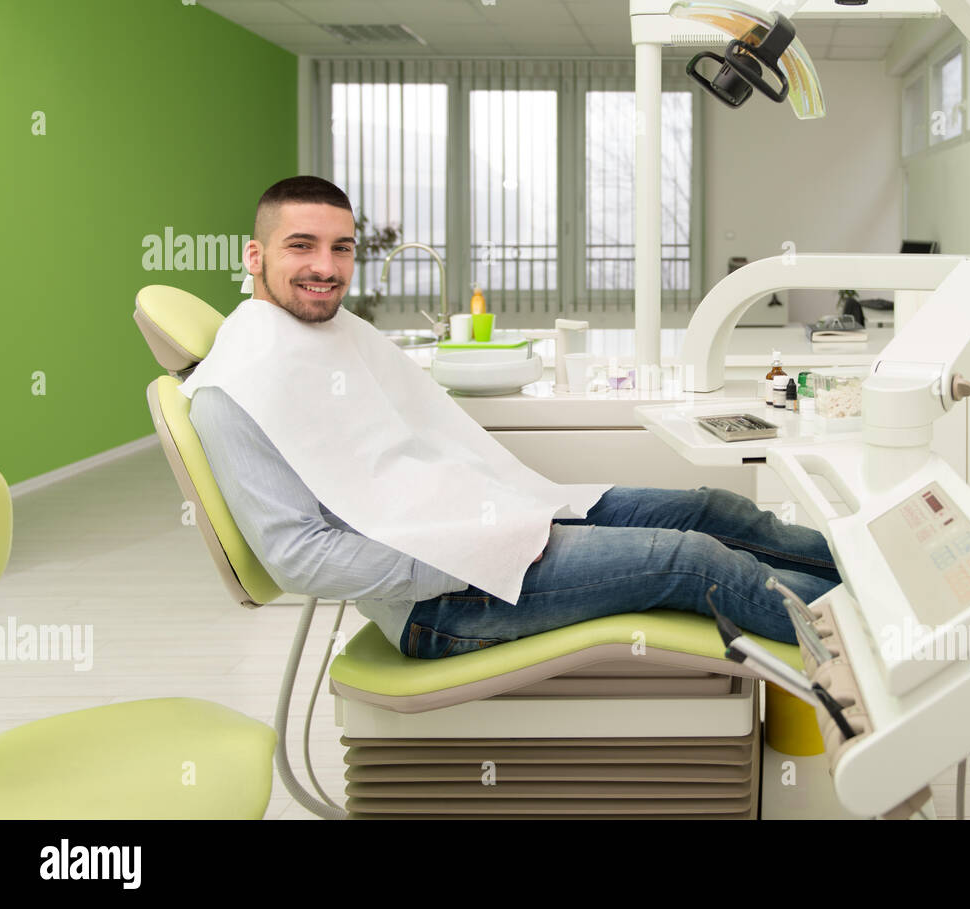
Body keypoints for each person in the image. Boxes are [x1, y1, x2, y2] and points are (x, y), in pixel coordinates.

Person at [189, 176, 841, 660]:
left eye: (341, 247)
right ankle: (871, 629)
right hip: (441, 603)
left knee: (712, 509)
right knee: (691, 559)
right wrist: (460, 557)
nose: (325, 267)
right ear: (254, 256)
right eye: (301, 246)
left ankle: (867, 573)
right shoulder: (235, 388)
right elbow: (299, 559)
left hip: (495, 526)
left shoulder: (329, 334)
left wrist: (499, 519)